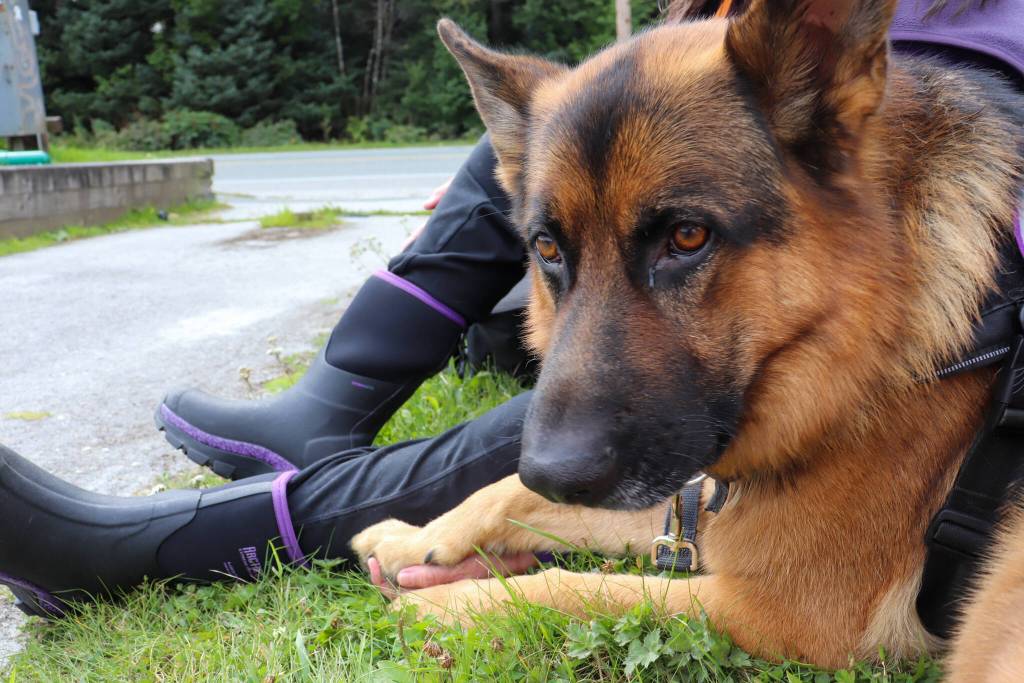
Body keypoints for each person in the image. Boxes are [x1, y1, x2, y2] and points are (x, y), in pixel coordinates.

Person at [1, 0, 1021, 618]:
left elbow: (812, 616)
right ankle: (336, 396)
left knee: (599, 401)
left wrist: (524, 591)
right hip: (804, 121)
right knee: (566, 130)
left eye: (687, 242)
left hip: (938, 120)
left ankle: (174, 544)